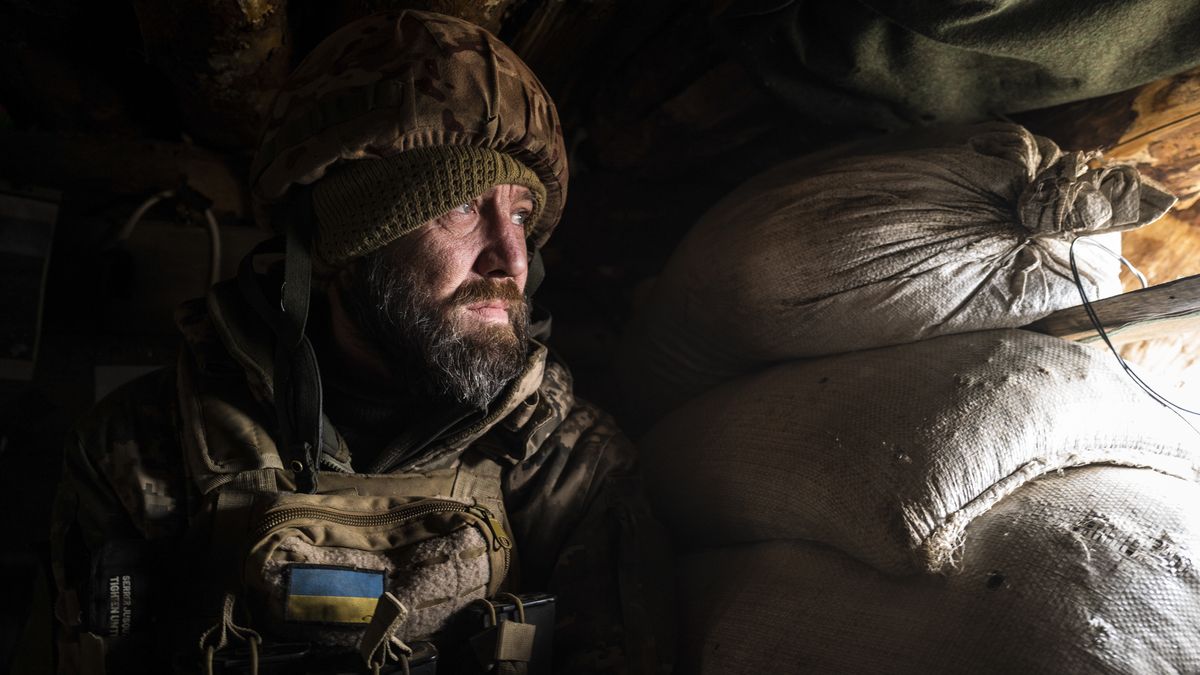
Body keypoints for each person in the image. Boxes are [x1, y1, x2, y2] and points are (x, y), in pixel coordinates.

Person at [50, 10, 673, 674]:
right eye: (461, 205)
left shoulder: (565, 466)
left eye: (520, 213)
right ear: (347, 244)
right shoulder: (145, 451)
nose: (511, 260)